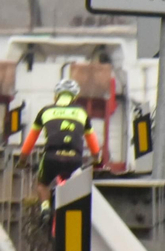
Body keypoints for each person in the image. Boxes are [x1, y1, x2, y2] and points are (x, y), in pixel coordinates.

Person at [19, 79, 103, 211]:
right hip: (74, 159)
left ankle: (45, 208)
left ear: (56, 95)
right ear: (75, 97)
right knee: (76, 188)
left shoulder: (45, 111)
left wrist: (22, 160)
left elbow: (30, 141)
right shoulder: (82, 112)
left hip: (51, 157)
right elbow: (93, 144)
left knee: (43, 184)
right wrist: (97, 161)